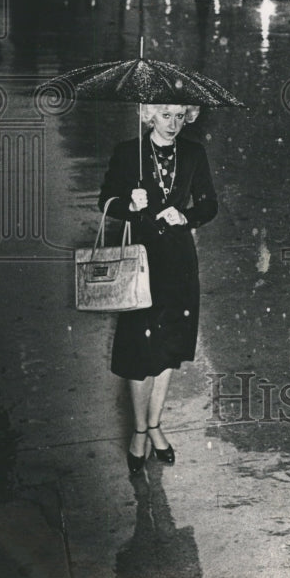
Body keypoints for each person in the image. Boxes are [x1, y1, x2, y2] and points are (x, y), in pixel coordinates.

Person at [99, 103, 218, 473]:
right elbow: (104, 200)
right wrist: (129, 205)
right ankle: (138, 431)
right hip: (141, 259)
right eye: (166, 116)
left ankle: (155, 425)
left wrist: (186, 215)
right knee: (139, 350)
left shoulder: (194, 152)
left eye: (181, 116)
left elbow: (210, 204)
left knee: (168, 347)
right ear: (149, 116)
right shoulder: (127, 153)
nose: (174, 124)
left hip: (179, 261)